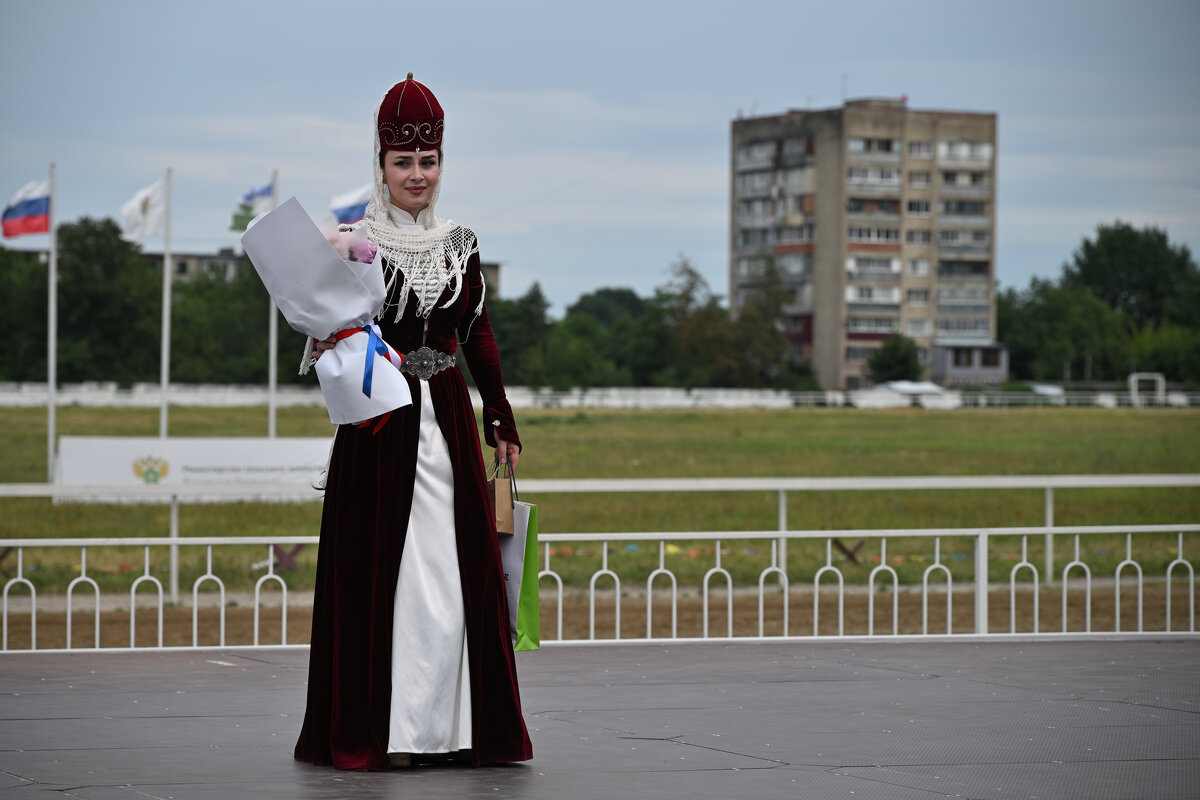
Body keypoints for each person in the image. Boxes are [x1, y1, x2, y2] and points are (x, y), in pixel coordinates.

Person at [293, 74, 533, 771]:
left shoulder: (461, 242)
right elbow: (329, 330)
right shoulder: (353, 241)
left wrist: (501, 416)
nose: (417, 174)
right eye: (404, 163)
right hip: (381, 428)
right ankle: (391, 732)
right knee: (386, 573)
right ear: (381, 164)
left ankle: (452, 731)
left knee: (456, 571)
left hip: (450, 421)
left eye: (428, 162)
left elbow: (478, 331)